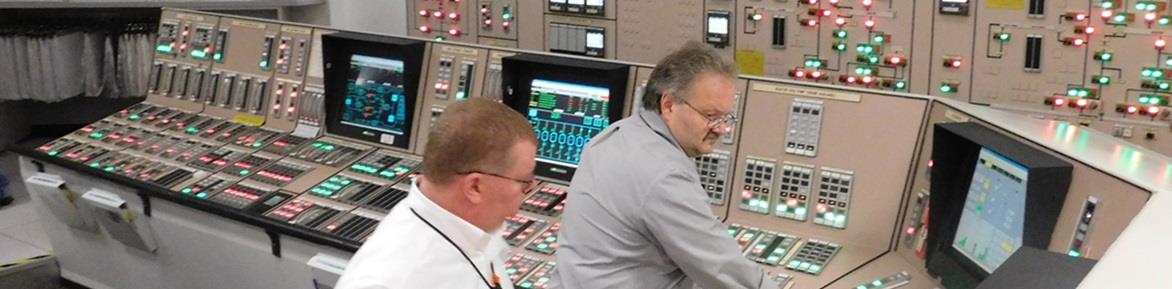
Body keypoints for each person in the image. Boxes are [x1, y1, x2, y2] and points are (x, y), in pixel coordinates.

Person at [556, 41, 778, 289]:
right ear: (669, 105)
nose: (721, 130)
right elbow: (721, 268)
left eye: (726, 118)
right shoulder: (664, 174)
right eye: (710, 116)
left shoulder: (612, 137)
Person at [337, 98, 538, 289]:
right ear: (475, 187)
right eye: (524, 181)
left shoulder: (473, 231)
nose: (531, 187)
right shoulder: (394, 279)